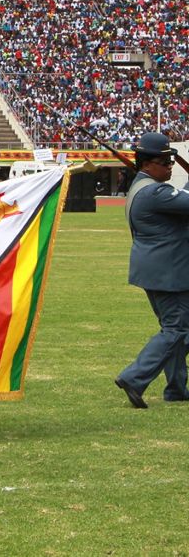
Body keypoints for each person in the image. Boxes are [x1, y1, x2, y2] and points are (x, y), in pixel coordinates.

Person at [115, 132, 189, 408]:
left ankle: (176, 388)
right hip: (169, 272)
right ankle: (134, 378)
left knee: (178, 331)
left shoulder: (142, 187)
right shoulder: (155, 192)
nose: (170, 167)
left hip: (159, 270)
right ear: (147, 164)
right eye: (166, 162)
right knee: (175, 330)